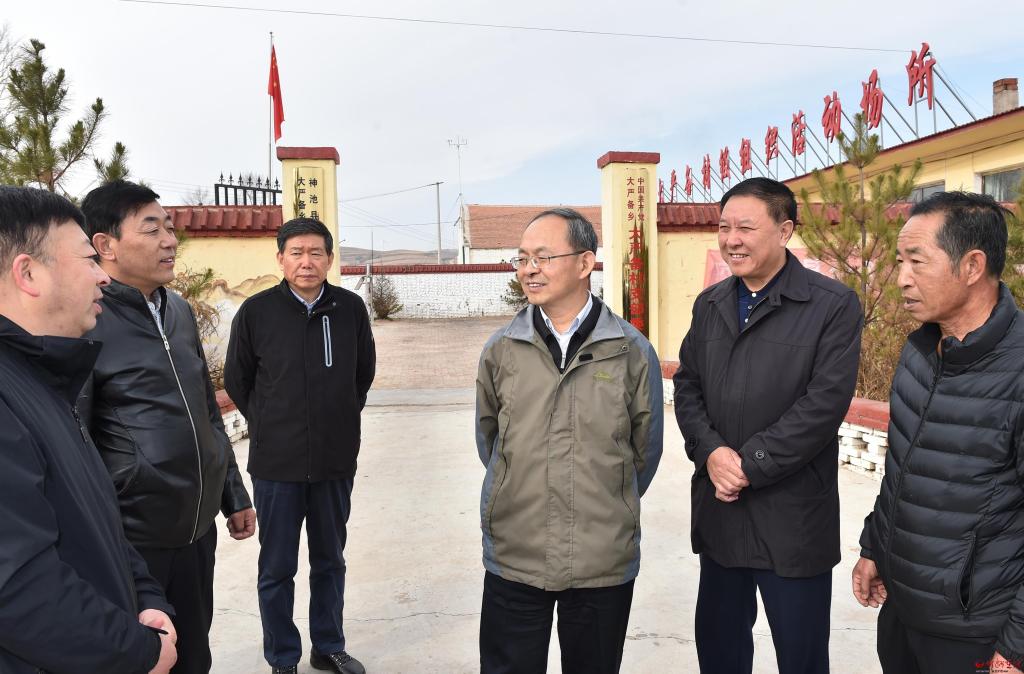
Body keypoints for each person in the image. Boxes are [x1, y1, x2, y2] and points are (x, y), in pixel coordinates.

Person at [673, 177, 863, 674]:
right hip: (721, 513)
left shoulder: (831, 305)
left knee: (801, 658)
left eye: (745, 228)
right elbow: (688, 386)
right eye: (723, 227)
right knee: (720, 651)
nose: (731, 240)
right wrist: (711, 453)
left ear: (784, 231)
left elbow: (823, 405)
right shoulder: (710, 304)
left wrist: (749, 465)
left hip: (792, 519)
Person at [475, 207, 663, 674]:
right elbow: (490, 439)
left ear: (585, 263)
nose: (529, 269)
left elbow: (645, 450)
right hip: (517, 551)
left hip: (602, 555)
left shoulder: (631, 351)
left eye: (542, 257)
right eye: (521, 259)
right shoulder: (501, 350)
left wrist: (606, 498)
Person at [78, 180, 255, 673]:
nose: (170, 241)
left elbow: (205, 408)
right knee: (146, 658)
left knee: (194, 654)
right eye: (151, 229)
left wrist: (232, 494)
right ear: (105, 245)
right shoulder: (87, 319)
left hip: (196, 529)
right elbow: (77, 438)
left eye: (170, 228)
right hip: (134, 538)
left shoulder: (177, 310)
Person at [0, 186, 177, 673]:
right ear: (28, 274)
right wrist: (138, 651)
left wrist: (146, 595)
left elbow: (95, 520)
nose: (102, 276)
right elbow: (17, 585)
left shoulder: (44, 377)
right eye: (88, 259)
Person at [854, 192, 1024, 674]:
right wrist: (874, 547)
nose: (902, 278)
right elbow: (902, 470)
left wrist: (1017, 646)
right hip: (904, 612)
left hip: (976, 630)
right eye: (899, 261)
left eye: (917, 261)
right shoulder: (920, 351)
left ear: (972, 266)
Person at [225, 218, 375, 674]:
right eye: (296, 253)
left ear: (329, 259)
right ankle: (282, 657)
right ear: (281, 259)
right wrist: (271, 424)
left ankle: (328, 645)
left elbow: (362, 374)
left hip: (334, 462)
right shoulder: (256, 312)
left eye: (315, 253)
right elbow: (238, 380)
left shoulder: (349, 309)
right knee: (277, 568)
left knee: (330, 561)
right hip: (277, 465)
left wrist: (338, 420)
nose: (306, 262)